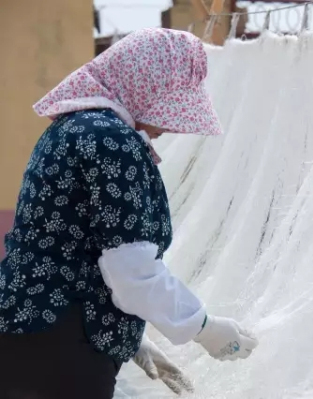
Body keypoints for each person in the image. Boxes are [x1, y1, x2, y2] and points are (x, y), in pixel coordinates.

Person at [0, 27, 258, 399]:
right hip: (64, 344)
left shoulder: (72, 127)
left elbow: (74, 244)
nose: (169, 125)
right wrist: (204, 327)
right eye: (168, 106)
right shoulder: (112, 141)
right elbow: (130, 270)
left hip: (31, 326)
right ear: (143, 86)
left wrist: (128, 337)